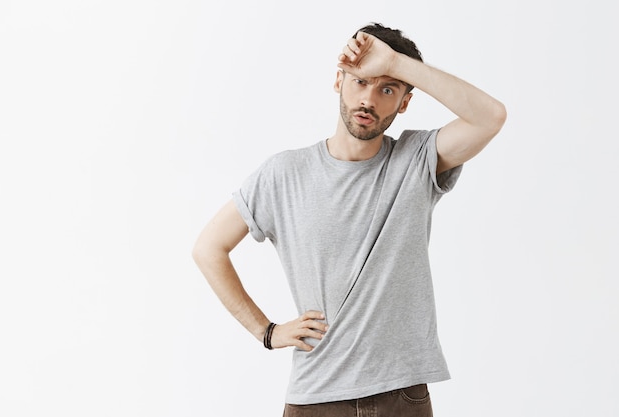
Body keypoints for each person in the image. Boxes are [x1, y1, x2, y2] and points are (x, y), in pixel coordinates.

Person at [192, 22, 506, 417]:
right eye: (359, 82)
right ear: (338, 80)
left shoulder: (417, 158)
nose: (369, 99)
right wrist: (267, 331)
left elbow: (490, 117)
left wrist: (396, 62)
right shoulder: (284, 174)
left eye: (387, 89)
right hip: (316, 395)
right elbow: (208, 249)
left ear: (405, 102)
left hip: (402, 395)